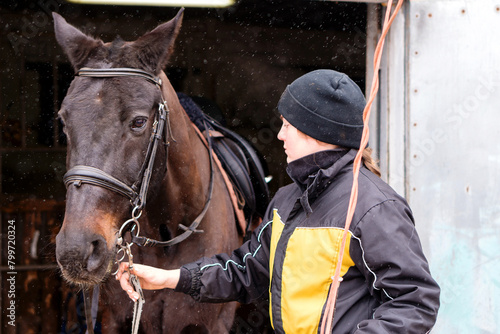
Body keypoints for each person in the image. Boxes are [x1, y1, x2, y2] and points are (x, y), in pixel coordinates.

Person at [117, 69, 440, 333]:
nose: (280, 135)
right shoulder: (288, 199)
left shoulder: (374, 207)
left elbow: (414, 302)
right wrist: (171, 278)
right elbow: (248, 270)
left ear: (317, 132)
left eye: (288, 125)